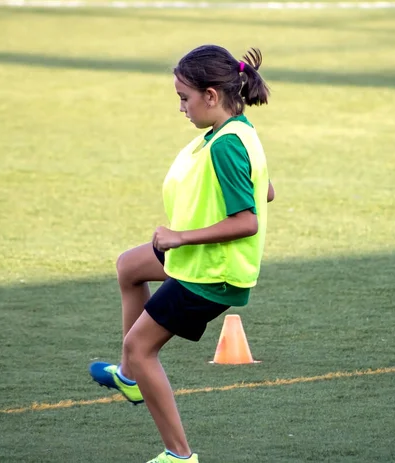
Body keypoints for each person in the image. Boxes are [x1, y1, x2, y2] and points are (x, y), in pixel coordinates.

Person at [89, 44, 275, 463]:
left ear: (211, 96)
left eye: (184, 98)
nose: (181, 108)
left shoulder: (227, 143)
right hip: (199, 259)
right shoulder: (235, 130)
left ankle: (179, 455)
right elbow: (266, 191)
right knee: (129, 266)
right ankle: (129, 377)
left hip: (213, 272)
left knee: (141, 347)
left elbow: (248, 220)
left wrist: (180, 236)